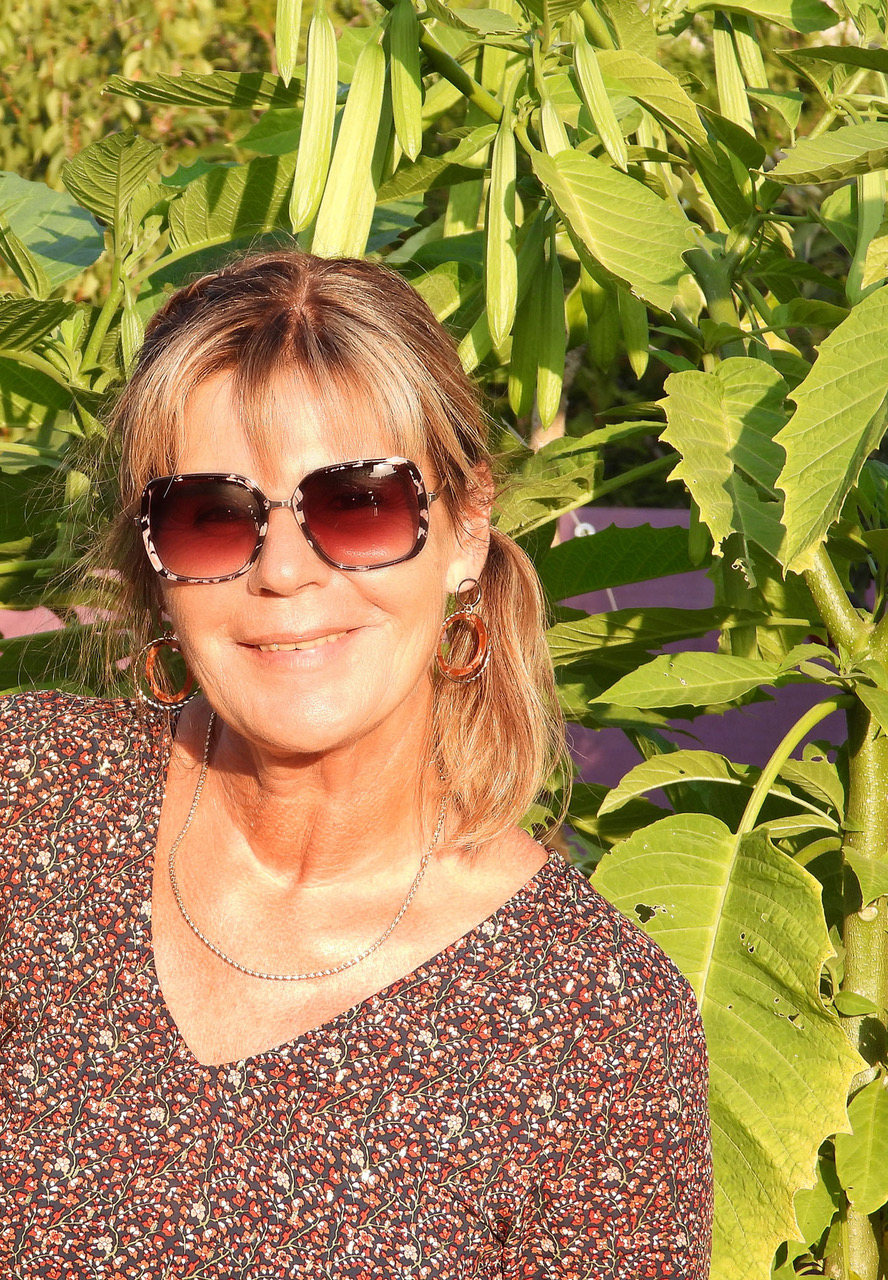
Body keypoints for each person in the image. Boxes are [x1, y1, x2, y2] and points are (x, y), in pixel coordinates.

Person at [0, 251, 712, 1277]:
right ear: (155, 569)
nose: (284, 571)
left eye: (357, 505)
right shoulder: (29, 805)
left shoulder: (596, 1023)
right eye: (211, 517)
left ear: (467, 529)